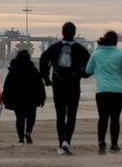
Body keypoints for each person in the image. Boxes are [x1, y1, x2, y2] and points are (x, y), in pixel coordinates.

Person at [39, 21, 91, 156]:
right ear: (74, 33)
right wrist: (82, 74)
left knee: (60, 115)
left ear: (62, 32)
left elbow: (43, 59)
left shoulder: (55, 47)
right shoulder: (80, 49)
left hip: (58, 86)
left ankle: (61, 143)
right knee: (72, 115)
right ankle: (67, 141)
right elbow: (91, 64)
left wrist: (46, 78)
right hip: (73, 86)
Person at [85, 31, 122, 154]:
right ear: (116, 42)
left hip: (102, 91)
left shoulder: (96, 54)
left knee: (103, 118)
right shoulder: (121, 54)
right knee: (115, 118)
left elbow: (88, 70)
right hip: (118, 91)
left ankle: (101, 142)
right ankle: (114, 145)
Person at [2, 49, 45, 144]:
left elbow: (7, 85)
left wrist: (5, 98)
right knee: (31, 117)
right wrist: (42, 98)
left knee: (19, 118)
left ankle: (21, 138)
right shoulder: (33, 70)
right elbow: (40, 85)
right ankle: (28, 132)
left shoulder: (13, 70)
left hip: (17, 99)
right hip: (32, 98)